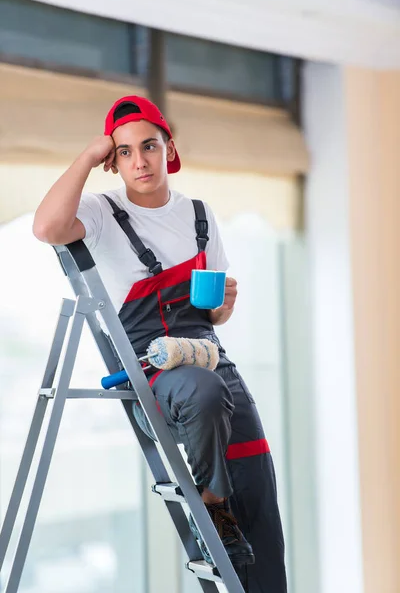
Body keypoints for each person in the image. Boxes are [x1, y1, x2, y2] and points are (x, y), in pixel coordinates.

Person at [33, 95, 287, 593]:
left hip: (210, 356)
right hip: (153, 366)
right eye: (124, 152)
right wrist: (88, 155)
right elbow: (47, 228)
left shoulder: (198, 214)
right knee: (203, 392)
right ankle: (212, 510)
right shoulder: (102, 213)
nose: (140, 161)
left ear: (168, 147)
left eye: (148, 146)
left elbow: (212, 315)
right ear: (113, 161)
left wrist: (223, 305)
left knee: (257, 487)